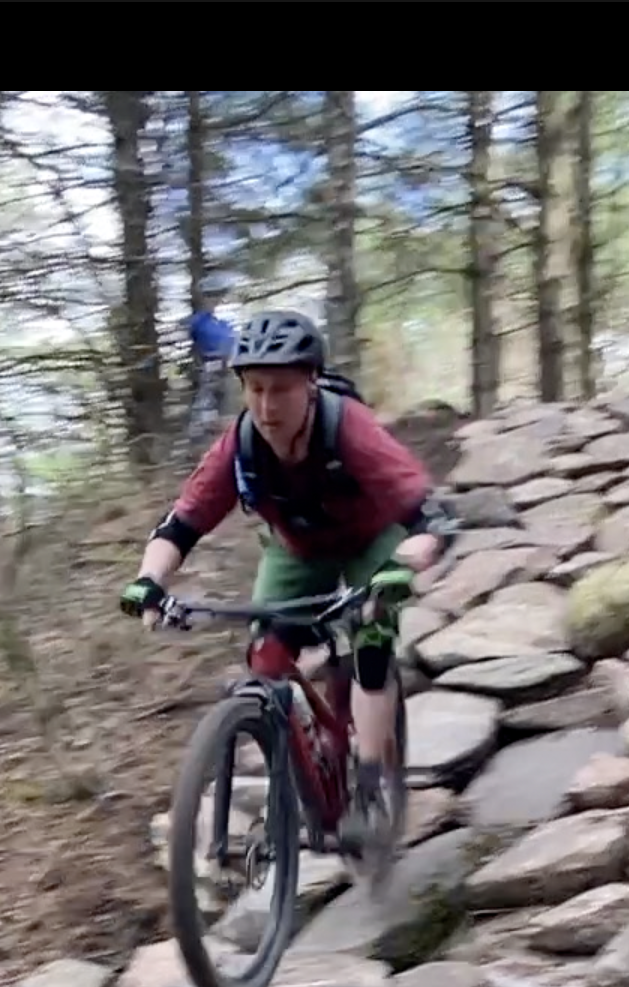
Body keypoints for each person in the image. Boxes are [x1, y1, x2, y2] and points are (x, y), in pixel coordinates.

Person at [118, 307, 453, 858]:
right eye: (255, 389)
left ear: (311, 384)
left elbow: (428, 514)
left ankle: (369, 783)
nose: (268, 407)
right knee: (266, 661)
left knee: (370, 635)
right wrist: (149, 580)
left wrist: (407, 562)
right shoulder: (241, 443)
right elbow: (180, 525)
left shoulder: (348, 427)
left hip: (372, 540)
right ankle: (300, 773)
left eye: (281, 390)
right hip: (297, 550)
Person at [183, 303, 235, 435]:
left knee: (214, 394)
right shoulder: (210, 323)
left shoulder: (217, 323)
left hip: (216, 362)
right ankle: (207, 427)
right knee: (210, 393)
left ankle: (209, 427)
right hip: (213, 362)